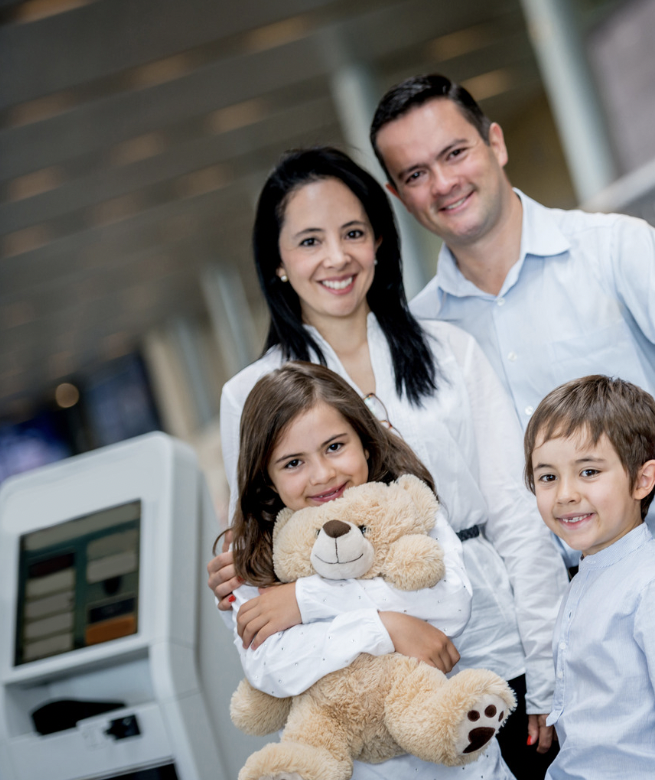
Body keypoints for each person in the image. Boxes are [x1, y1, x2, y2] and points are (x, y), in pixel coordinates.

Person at [206, 147, 568, 778]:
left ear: (379, 240)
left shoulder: (449, 351)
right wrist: (270, 583)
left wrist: (547, 667)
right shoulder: (250, 393)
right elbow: (265, 558)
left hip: (489, 643)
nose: (336, 257)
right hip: (359, 683)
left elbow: (517, 515)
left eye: (352, 233)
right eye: (309, 240)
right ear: (278, 263)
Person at [368, 74, 655, 547]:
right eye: (416, 174)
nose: (443, 184)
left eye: (455, 153)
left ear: (495, 144)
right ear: (398, 196)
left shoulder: (611, 246)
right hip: (543, 598)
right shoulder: (420, 335)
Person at [219, 361, 475, 728]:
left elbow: (451, 606)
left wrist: (305, 601)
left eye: (335, 446)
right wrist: (388, 626)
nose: (322, 474)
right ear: (268, 480)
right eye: (293, 463)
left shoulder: (407, 507)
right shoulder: (254, 555)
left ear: (366, 443)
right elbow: (272, 668)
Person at [524, 375, 655, 779]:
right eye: (548, 477)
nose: (565, 493)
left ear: (642, 479)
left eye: (588, 472)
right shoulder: (586, 577)